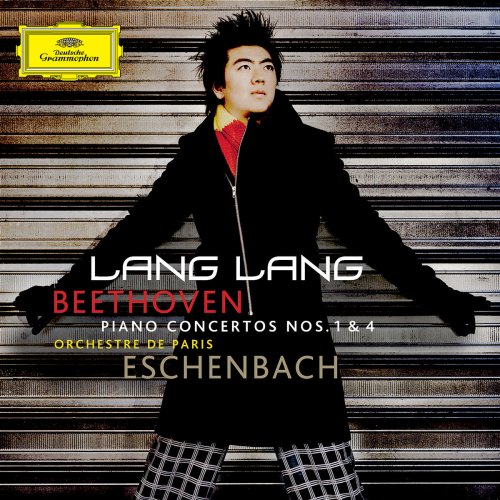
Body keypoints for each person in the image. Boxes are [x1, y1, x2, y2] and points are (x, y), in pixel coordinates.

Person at [14, 10, 490, 500]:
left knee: (330, 491)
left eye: (267, 66)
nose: (260, 76)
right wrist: (62, 294)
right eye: (244, 67)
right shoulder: (198, 157)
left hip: (294, 344)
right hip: (215, 343)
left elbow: (368, 233)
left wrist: (441, 297)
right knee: (171, 490)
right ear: (218, 86)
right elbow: (136, 233)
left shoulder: (308, 152)